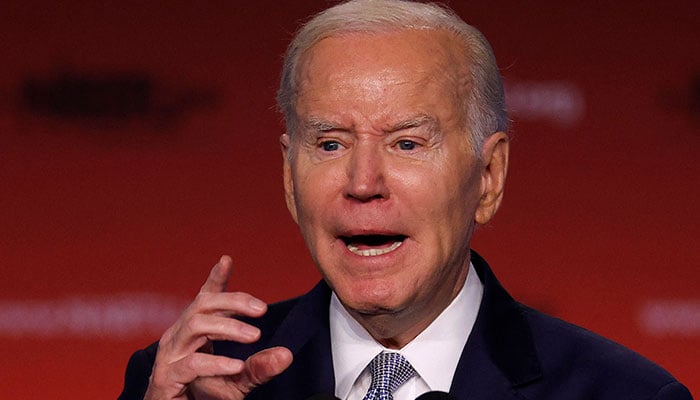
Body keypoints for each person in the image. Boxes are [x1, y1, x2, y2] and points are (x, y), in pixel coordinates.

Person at [119, 1, 693, 399]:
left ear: (488, 177)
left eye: (407, 143)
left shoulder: (623, 393)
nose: (363, 181)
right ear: (290, 180)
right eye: (330, 143)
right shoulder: (186, 382)